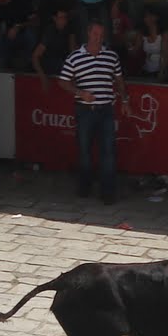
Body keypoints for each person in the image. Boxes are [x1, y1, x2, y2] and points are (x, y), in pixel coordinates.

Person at [58, 20, 128, 203]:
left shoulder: (111, 56)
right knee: (85, 151)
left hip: (106, 109)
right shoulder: (75, 57)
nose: (98, 38)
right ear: (88, 34)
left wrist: (125, 99)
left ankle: (108, 192)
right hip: (85, 109)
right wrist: (80, 92)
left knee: (108, 152)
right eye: (96, 34)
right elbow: (63, 81)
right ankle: (85, 186)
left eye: (101, 35)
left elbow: (119, 79)